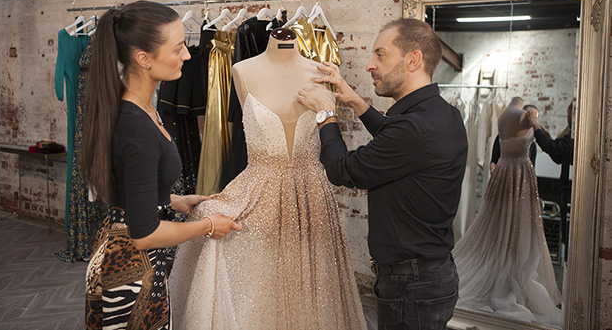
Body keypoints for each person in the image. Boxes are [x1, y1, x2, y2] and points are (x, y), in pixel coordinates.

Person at [168, 27, 367, 330]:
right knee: (258, 285)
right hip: (259, 191)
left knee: (315, 290)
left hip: (312, 194)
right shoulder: (242, 70)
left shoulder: (322, 72)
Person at [297, 18, 468, 330]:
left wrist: (326, 113)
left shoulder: (413, 127)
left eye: (380, 55)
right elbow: (398, 141)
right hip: (431, 275)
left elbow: (341, 169)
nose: (369, 65)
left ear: (413, 59)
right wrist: (357, 101)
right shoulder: (441, 114)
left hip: (412, 287)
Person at [81, 0, 241, 330]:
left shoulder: (142, 111)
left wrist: (173, 202)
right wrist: (208, 226)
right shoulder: (135, 126)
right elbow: (145, 233)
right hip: (129, 274)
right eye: (178, 47)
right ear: (144, 58)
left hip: (136, 264)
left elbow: (128, 192)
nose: (186, 55)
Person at [452, 97, 562, 326]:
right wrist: (535, 124)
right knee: (516, 230)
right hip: (519, 175)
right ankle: (508, 275)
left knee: (502, 225)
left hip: (504, 173)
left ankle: (504, 267)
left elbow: (499, 147)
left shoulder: (503, 114)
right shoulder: (524, 117)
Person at [529, 102, 574, 259]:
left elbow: (554, 150)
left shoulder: (575, 137)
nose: (567, 113)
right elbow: (557, 156)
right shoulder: (573, 136)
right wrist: (546, 135)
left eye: (568, 110)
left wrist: (536, 127)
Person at [490, 104, 539, 173]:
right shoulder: (502, 137)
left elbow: (532, 169)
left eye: (535, 117)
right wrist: (494, 173)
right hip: (502, 176)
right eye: (529, 115)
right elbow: (493, 160)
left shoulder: (532, 145)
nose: (532, 120)